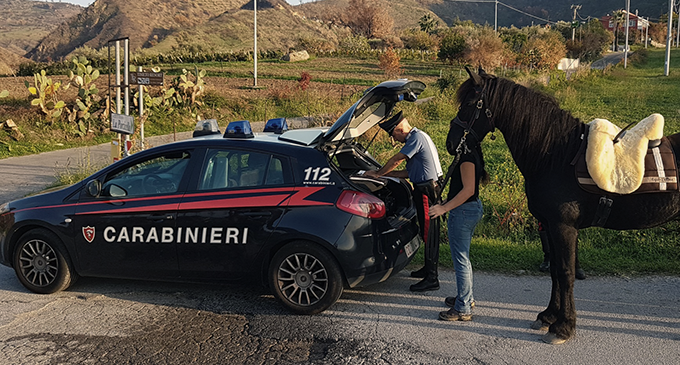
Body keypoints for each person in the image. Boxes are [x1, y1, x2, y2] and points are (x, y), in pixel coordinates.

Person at [364, 111, 444, 292]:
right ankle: (428, 269)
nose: (394, 140)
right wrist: (383, 175)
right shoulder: (418, 137)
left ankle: (432, 278)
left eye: (393, 136)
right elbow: (408, 173)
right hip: (425, 186)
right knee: (427, 229)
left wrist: (377, 174)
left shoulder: (415, 139)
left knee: (428, 231)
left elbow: (396, 160)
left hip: (426, 190)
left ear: (400, 129)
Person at [428, 139, 487, 322]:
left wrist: (443, 209)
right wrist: (446, 203)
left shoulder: (467, 157)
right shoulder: (472, 151)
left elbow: (468, 190)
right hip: (468, 209)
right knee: (464, 258)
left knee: (461, 259)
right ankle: (466, 297)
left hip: (463, 211)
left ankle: (463, 307)